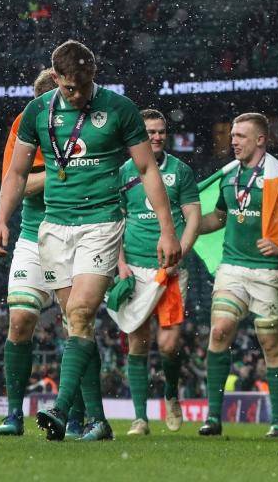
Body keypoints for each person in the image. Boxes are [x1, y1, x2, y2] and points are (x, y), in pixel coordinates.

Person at [0, 40, 181, 442]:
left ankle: (61, 411)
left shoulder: (118, 108)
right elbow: (17, 173)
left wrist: (167, 229)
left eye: (84, 86)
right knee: (75, 324)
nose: (77, 95)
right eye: (70, 88)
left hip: (101, 222)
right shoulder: (37, 112)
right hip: (53, 228)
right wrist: (0, 221)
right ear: (56, 78)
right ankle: (97, 420)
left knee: (79, 313)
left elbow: (147, 169)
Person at [197, 113, 278, 438]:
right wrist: (187, 224)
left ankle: (277, 421)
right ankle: (212, 417)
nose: (233, 140)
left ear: (260, 140)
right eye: (232, 135)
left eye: (241, 135)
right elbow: (220, 217)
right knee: (220, 329)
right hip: (232, 267)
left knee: (270, 342)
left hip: (268, 272)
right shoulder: (228, 175)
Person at [111, 108, 201, 436]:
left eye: (161, 131)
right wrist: (120, 264)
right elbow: (116, 222)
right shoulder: (123, 172)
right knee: (138, 342)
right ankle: (140, 418)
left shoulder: (181, 171)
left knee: (168, 345)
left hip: (171, 270)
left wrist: (181, 252)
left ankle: (171, 393)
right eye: (150, 132)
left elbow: (192, 217)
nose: (157, 136)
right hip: (134, 265)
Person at [0, 68, 60, 437]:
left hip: (79, 236)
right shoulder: (26, 124)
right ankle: (14, 413)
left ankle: (79, 412)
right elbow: (18, 183)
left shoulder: (86, 127)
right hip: (34, 237)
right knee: (20, 321)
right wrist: (63, 170)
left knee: (78, 326)